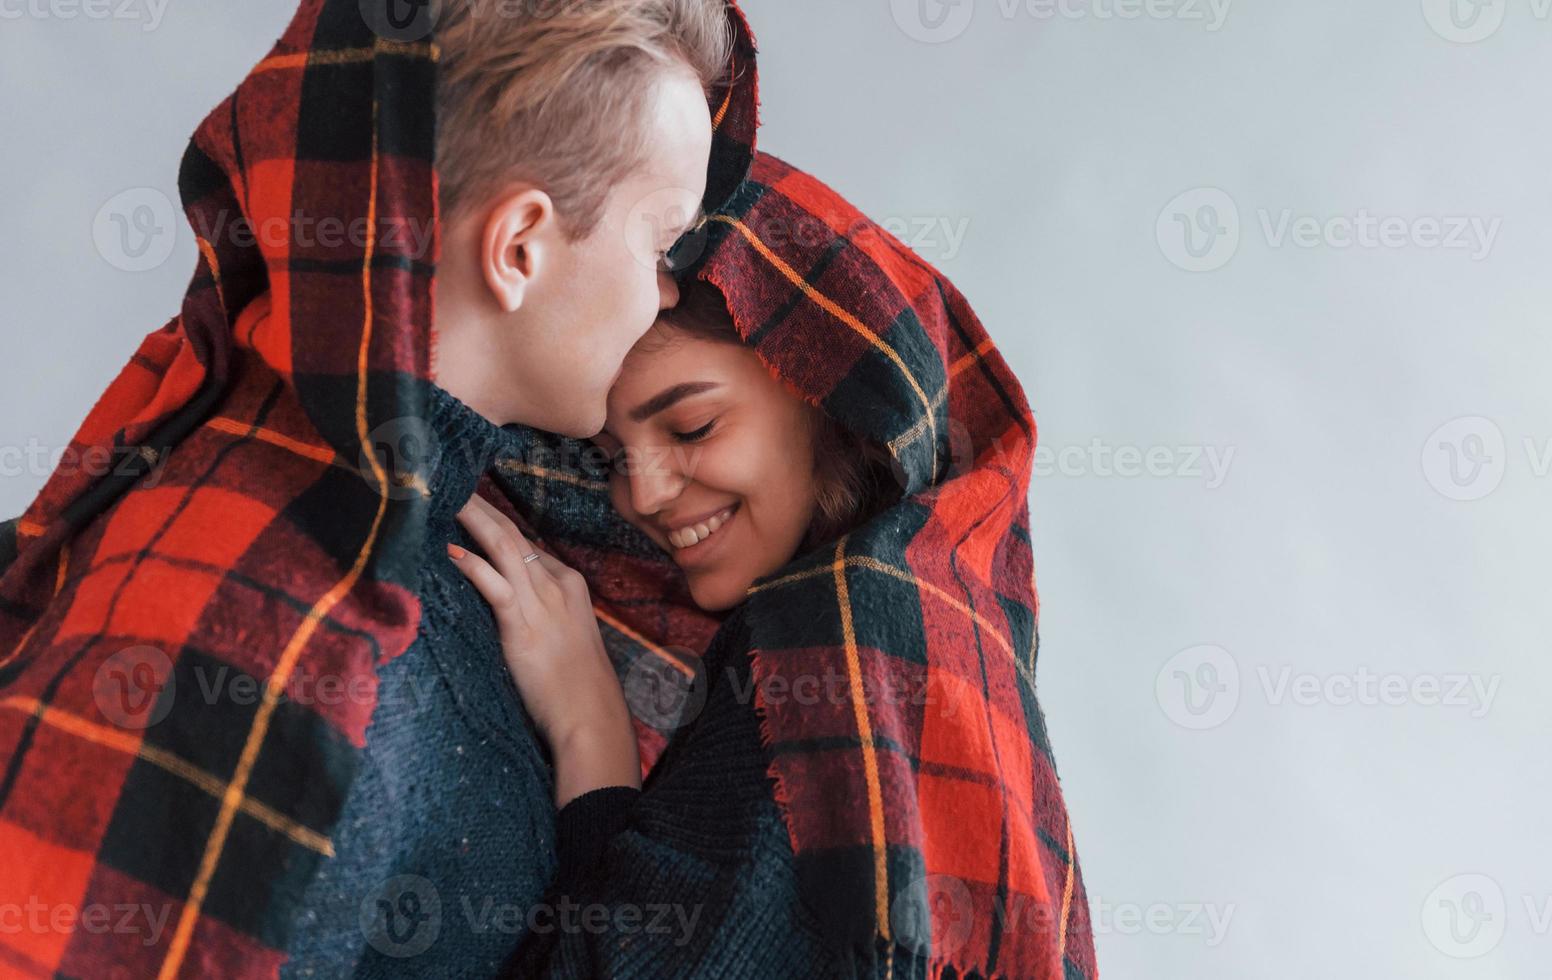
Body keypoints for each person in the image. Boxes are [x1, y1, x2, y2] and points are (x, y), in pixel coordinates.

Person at [0, 0, 758, 976]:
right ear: (519, 246)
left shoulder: (362, 528)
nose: (663, 293)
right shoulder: (292, 661)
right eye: (659, 246)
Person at [461, 152, 1099, 979]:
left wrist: (591, 730)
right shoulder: (934, 637)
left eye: (691, 428)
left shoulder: (833, 651)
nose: (643, 495)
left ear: (827, 403)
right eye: (609, 457)